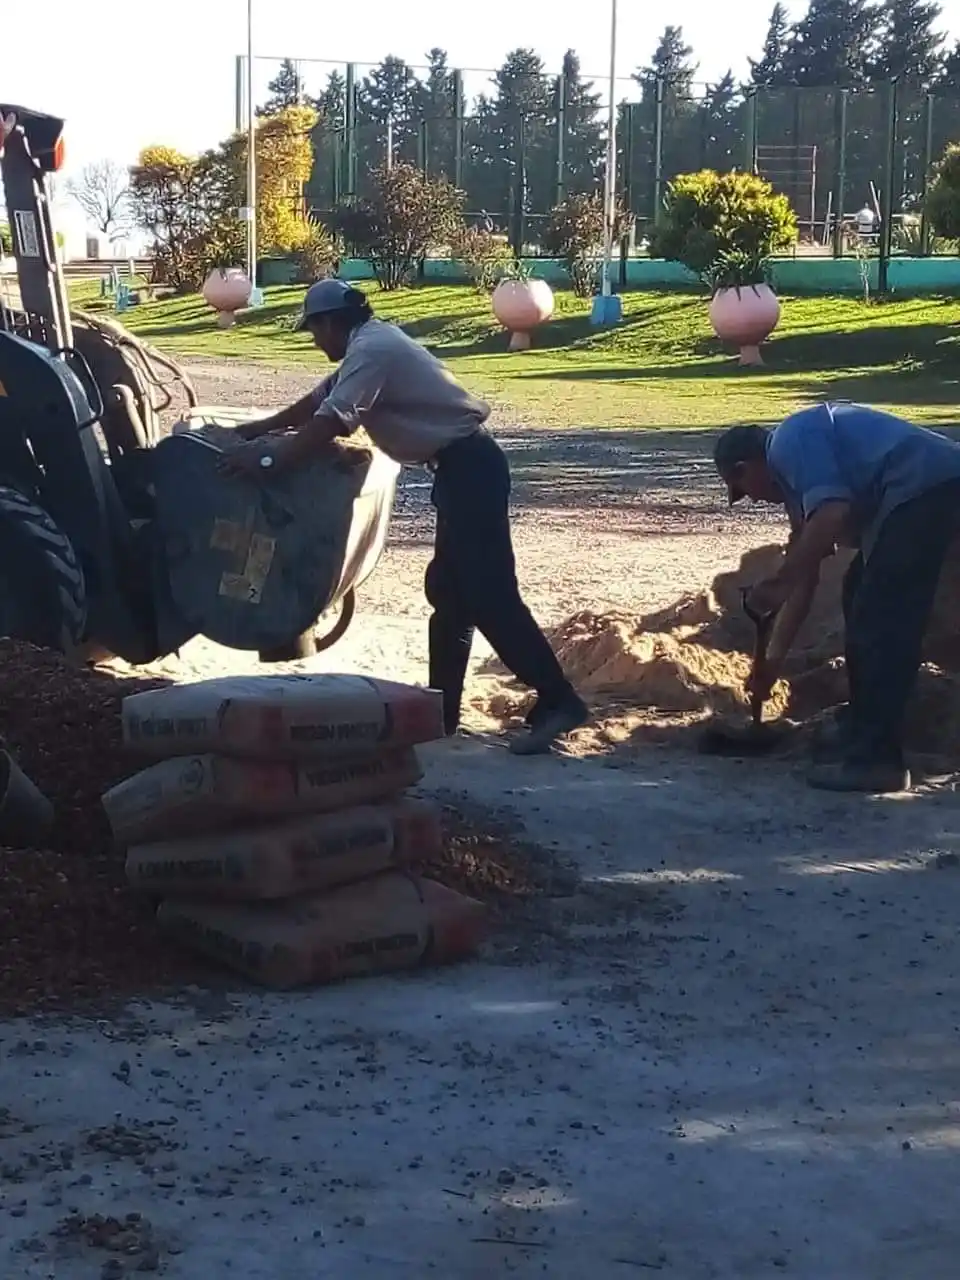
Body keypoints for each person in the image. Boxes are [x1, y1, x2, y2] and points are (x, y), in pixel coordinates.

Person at [220, 278, 587, 754]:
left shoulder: (372, 349)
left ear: (331, 322)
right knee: (450, 593)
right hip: (460, 469)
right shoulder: (369, 346)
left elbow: (332, 418)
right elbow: (317, 401)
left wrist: (269, 462)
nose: (315, 340)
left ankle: (560, 700)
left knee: (488, 594)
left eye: (314, 330)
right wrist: (254, 431)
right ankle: (441, 712)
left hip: (471, 467)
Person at [713, 402, 960, 794]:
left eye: (743, 491)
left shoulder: (791, 441)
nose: (755, 501)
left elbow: (832, 515)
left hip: (927, 487)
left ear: (745, 467)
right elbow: (805, 578)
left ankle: (876, 760)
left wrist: (777, 582)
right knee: (856, 590)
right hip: (919, 493)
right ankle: (863, 726)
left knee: (881, 618)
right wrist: (771, 665)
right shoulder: (798, 490)